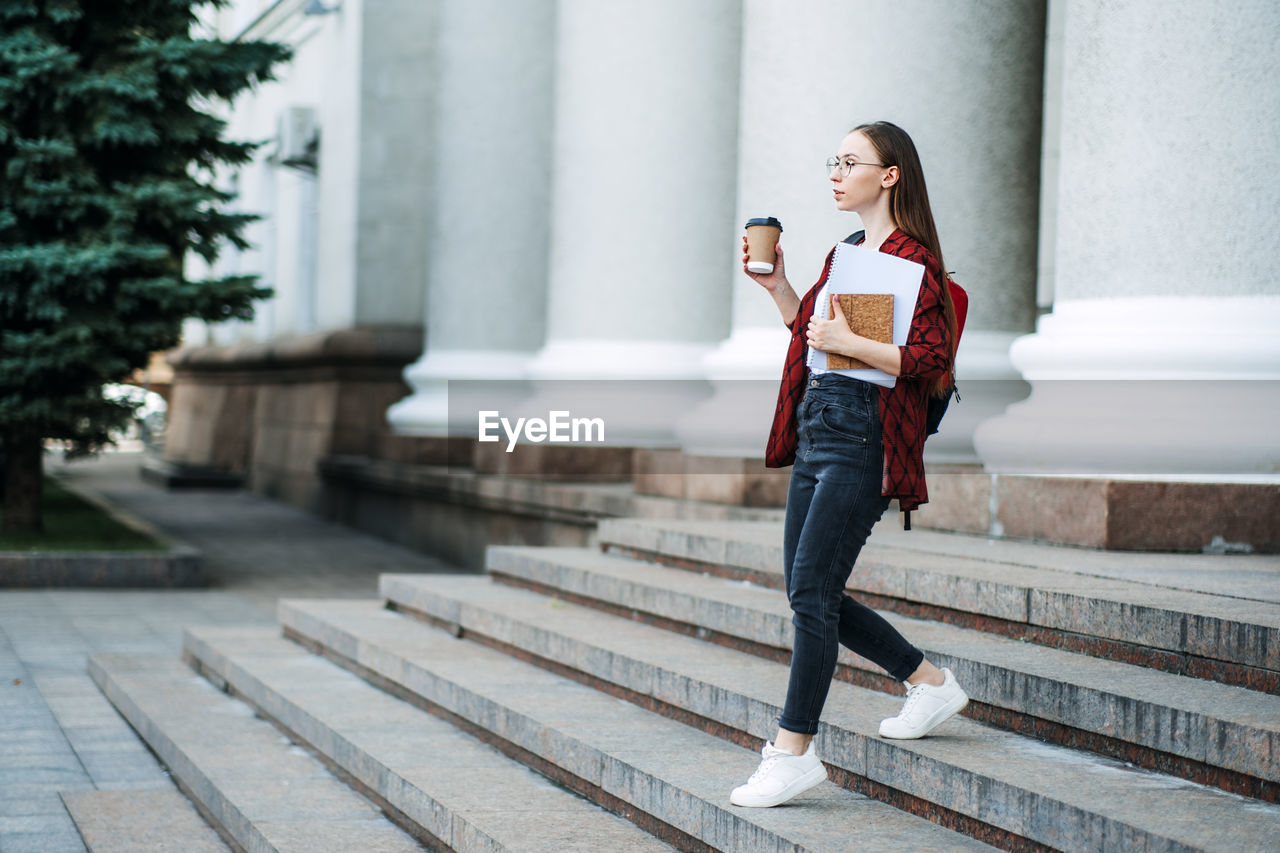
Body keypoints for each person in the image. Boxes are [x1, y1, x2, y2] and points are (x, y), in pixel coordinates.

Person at [730, 121, 968, 809]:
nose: (836, 172)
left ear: (890, 174)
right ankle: (927, 682)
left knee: (810, 589)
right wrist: (779, 286)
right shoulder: (848, 251)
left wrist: (852, 342)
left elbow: (929, 361)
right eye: (832, 161)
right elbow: (815, 339)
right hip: (819, 426)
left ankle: (792, 750)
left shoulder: (915, 261)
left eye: (850, 161)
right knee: (811, 590)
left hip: (865, 438)